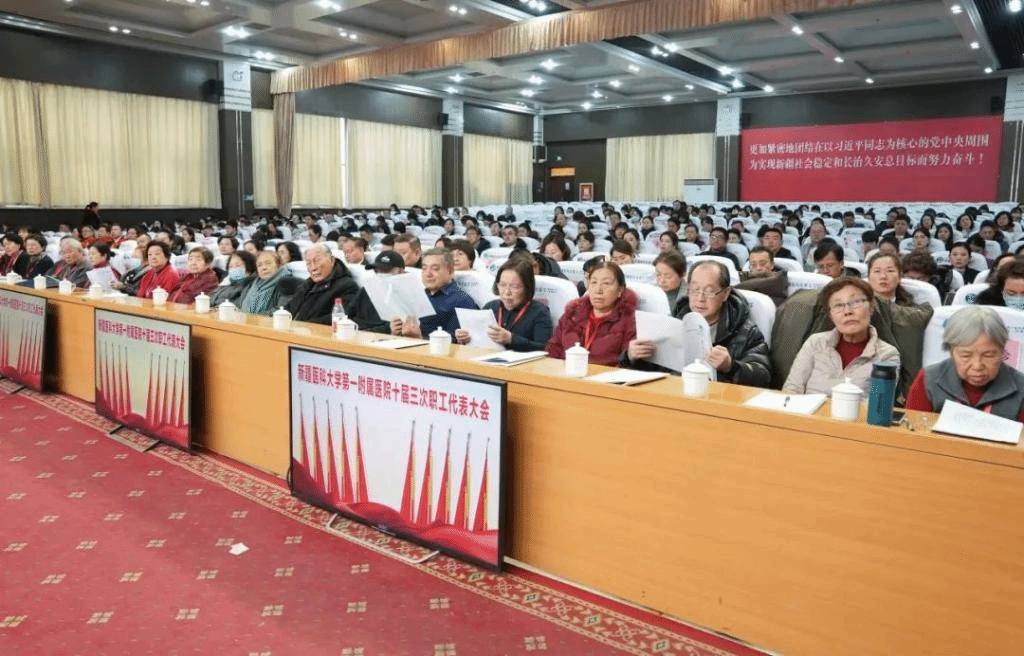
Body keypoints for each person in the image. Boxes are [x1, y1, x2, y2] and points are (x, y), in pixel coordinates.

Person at [625, 261, 771, 385]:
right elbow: (652, 374)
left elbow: (764, 377)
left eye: (709, 291)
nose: (700, 298)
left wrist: (730, 366)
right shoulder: (674, 322)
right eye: (694, 290)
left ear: (725, 294)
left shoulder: (747, 331)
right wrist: (632, 357)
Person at [782, 277, 900, 395]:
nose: (847, 311)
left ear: (871, 308)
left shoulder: (887, 355)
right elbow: (792, 389)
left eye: (856, 302)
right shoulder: (815, 342)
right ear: (830, 316)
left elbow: (879, 402)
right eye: (838, 305)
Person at [905, 307, 1024, 421]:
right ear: (951, 352)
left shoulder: (1021, 387)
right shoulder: (928, 380)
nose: (977, 366)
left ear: (1002, 351)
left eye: (988, 355)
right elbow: (911, 428)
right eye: (966, 355)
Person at [546, 261, 637, 367]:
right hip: (565, 373)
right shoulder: (572, 314)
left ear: (620, 290)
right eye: (593, 282)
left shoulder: (629, 320)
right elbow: (553, 349)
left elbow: (627, 365)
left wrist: (629, 357)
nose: (598, 290)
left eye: (606, 283)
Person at [454, 260, 553, 352]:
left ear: (527, 288)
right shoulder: (490, 307)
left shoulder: (540, 312)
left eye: (514, 287)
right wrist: (464, 338)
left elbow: (544, 348)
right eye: (502, 285)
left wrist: (511, 339)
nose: (507, 292)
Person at [390, 247, 477, 340]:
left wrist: (418, 338)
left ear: (450, 271)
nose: (428, 274)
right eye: (424, 268)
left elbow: (455, 344)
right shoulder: (417, 296)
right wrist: (396, 331)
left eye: (435, 269)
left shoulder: (463, 302)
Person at [285, 243, 359, 324]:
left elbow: (341, 317)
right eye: (308, 263)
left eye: (317, 261)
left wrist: (303, 326)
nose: (313, 268)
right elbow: (289, 309)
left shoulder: (347, 286)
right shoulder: (307, 284)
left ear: (332, 260)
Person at [236, 251, 299, 315]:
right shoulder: (250, 284)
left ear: (278, 265)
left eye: (268, 263)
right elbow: (239, 306)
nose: (264, 268)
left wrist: (254, 318)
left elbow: (282, 310)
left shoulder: (288, 284)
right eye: (259, 265)